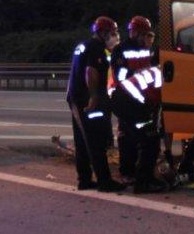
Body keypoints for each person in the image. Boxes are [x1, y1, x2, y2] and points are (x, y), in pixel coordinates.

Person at [66, 16, 126, 192]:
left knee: (82, 141)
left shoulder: (83, 45)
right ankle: (104, 181)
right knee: (95, 141)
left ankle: (84, 180)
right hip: (86, 100)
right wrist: (93, 97)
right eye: (112, 33)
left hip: (77, 98)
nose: (114, 36)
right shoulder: (96, 48)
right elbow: (91, 71)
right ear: (102, 33)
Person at [110, 16, 164, 193]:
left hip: (140, 98)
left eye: (148, 35)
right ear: (135, 33)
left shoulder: (148, 49)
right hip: (127, 98)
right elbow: (120, 76)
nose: (146, 38)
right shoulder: (121, 50)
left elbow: (153, 69)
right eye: (143, 34)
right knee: (134, 137)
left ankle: (139, 176)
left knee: (144, 137)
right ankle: (132, 175)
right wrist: (137, 73)